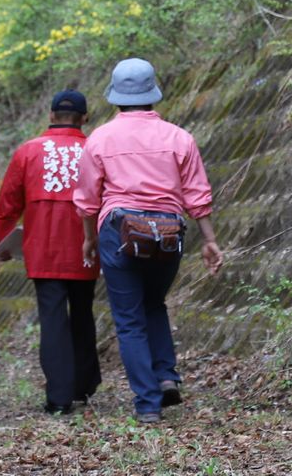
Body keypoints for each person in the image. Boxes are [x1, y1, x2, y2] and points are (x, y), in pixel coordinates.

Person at [74, 58, 224, 424]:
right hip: (168, 230)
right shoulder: (179, 137)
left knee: (128, 319)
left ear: (116, 97)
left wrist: (89, 240)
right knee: (155, 303)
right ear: (152, 93)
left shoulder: (100, 139)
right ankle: (166, 375)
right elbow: (197, 195)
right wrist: (209, 240)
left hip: (118, 230)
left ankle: (147, 404)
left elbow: (87, 200)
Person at [0, 90, 101, 415]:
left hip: (43, 250)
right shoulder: (94, 149)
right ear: (85, 118)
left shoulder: (28, 152)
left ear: (50, 116)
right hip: (85, 246)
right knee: (82, 313)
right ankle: (84, 384)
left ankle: (59, 397)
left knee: (52, 320)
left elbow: (8, 204)